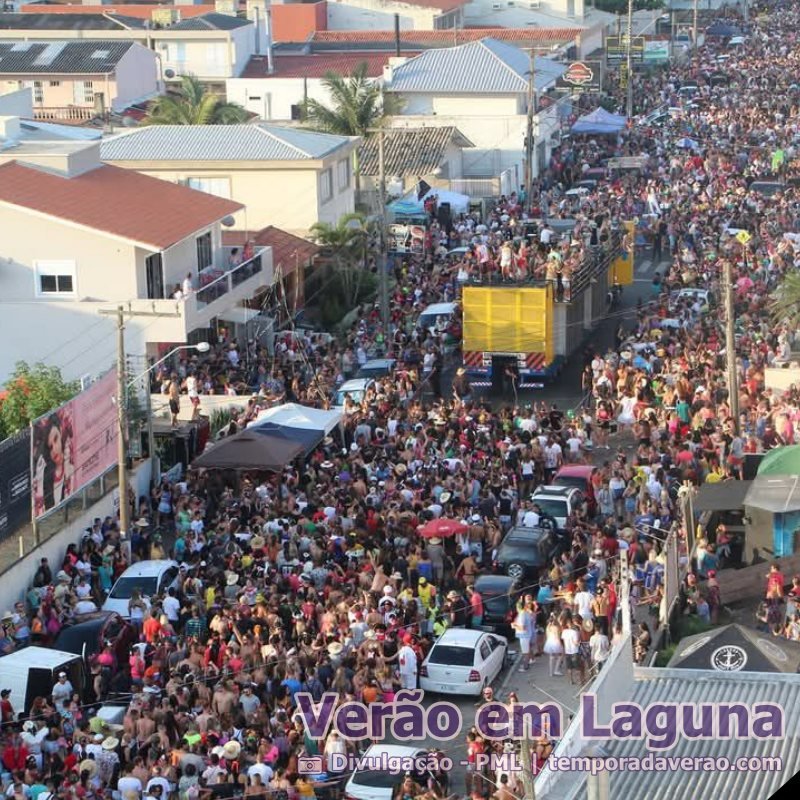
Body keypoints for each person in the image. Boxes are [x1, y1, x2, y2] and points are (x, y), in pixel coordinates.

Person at [33, 412, 74, 516]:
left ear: (61, 432)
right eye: (50, 447)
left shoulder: (71, 464)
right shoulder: (48, 479)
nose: (55, 449)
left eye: (56, 439)